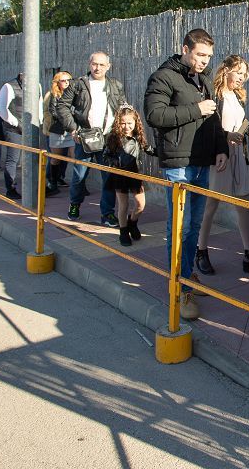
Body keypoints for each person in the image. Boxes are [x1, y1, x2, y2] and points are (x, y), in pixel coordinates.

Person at [144, 29, 227, 320]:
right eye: (200, 55)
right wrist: (195, 109)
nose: (204, 61)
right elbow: (154, 115)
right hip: (178, 162)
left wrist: (221, 148)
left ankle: (188, 275)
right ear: (185, 48)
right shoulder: (164, 76)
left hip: (201, 161)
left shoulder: (202, 80)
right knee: (180, 226)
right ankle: (178, 287)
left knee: (193, 225)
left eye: (208, 57)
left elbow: (212, 116)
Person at [196, 54, 249, 277]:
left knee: (243, 206)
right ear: (225, 69)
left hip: (239, 155)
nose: (242, 78)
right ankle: (201, 251)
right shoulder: (214, 95)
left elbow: (239, 124)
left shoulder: (238, 96)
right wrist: (227, 137)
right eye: (238, 72)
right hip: (221, 156)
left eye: (244, 74)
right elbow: (208, 129)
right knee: (211, 205)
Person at [57, 52, 126, 224]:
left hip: (108, 138)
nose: (98, 68)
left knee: (109, 178)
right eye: (95, 64)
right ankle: (74, 204)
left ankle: (107, 213)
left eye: (102, 65)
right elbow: (62, 106)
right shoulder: (78, 84)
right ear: (89, 64)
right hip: (84, 137)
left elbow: (123, 107)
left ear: (108, 66)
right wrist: (73, 128)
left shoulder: (115, 85)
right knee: (79, 176)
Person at [103, 106, 156, 247]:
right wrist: (115, 162)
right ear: (118, 122)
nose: (126, 126)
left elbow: (147, 148)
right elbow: (106, 155)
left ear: (135, 122)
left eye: (129, 123)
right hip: (119, 175)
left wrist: (161, 153)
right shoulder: (113, 138)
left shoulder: (138, 136)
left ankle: (132, 223)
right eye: (123, 123)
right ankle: (123, 231)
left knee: (140, 204)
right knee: (123, 205)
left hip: (134, 174)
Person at [43, 71, 75, 193]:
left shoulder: (75, 93)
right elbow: (53, 112)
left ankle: (79, 185)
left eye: (69, 80)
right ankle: (53, 182)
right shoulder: (53, 95)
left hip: (72, 130)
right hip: (58, 130)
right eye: (63, 80)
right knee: (56, 158)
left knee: (75, 156)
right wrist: (68, 118)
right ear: (57, 82)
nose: (67, 83)